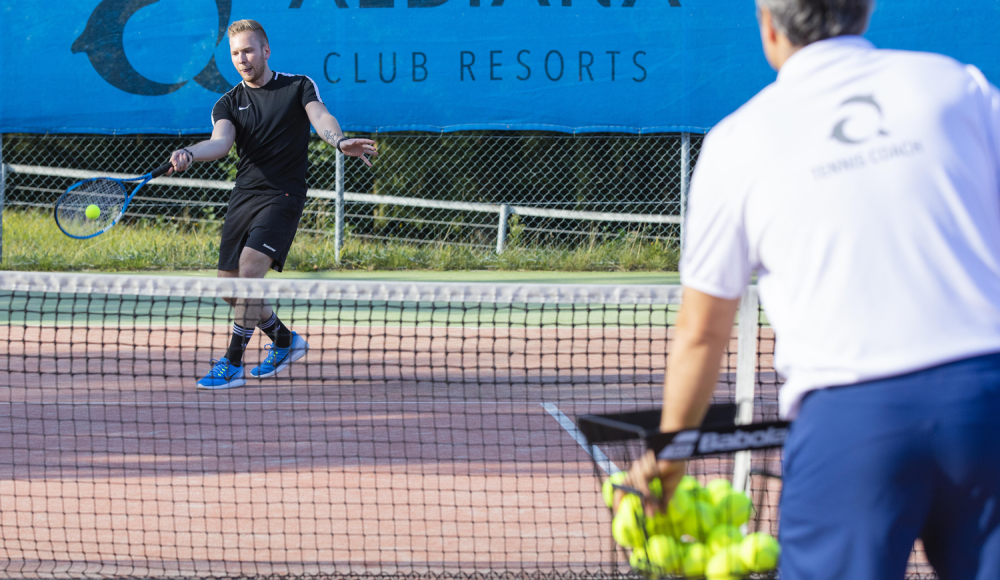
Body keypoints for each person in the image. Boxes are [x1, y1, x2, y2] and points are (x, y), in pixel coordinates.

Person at [620, 0, 1000, 578]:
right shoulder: (957, 86)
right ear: (864, 11)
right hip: (987, 402)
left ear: (768, 25)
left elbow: (701, 332)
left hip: (850, 427)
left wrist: (668, 456)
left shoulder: (737, 140)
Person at [167, 19, 377, 390]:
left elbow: (321, 118)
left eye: (248, 50)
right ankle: (283, 341)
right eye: (235, 53)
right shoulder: (228, 102)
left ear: (265, 50)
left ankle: (232, 362)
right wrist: (189, 152)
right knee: (230, 290)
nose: (242, 59)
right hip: (244, 196)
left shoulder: (298, 86)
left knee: (250, 273)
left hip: (283, 194)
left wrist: (340, 141)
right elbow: (220, 143)